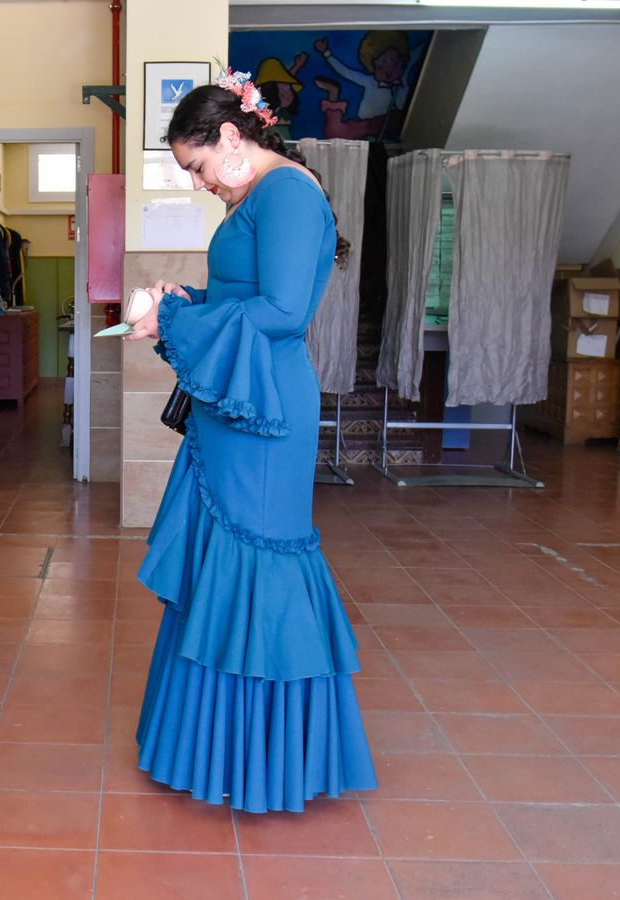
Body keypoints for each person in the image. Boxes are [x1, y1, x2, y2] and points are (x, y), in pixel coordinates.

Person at [126, 73, 377, 812]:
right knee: (225, 568)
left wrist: (172, 326)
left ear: (232, 138)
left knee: (260, 565)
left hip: (266, 415)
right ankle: (218, 751)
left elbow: (284, 312)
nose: (199, 183)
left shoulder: (288, 193)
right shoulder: (256, 197)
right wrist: (187, 301)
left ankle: (268, 759)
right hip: (239, 406)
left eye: (197, 167)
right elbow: (244, 302)